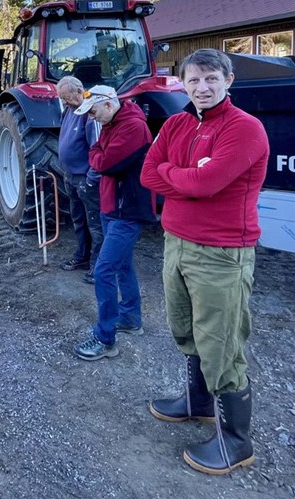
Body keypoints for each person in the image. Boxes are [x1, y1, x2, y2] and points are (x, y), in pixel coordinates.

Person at [140, 49, 269, 475]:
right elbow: (147, 173)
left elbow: (207, 183)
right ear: (182, 84)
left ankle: (237, 442)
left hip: (220, 252)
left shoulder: (245, 129)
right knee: (186, 328)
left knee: (222, 344)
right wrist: (187, 178)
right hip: (176, 242)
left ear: (229, 80)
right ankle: (198, 404)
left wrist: (177, 176)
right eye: (193, 81)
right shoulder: (176, 122)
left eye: (211, 78)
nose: (202, 88)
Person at [71, 86, 155, 361]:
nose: (92, 118)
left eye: (93, 112)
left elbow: (103, 161)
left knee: (104, 270)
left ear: (107, 104)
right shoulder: (113, 122)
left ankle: (105, 338)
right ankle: (130, 317)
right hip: (112, 207)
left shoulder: (132, 128)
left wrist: (98, 158)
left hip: (126, 211)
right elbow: (96, 151)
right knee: (121, 266)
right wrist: (98, 156)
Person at [56, 76, 103, 283]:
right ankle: (82, 256)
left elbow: (98, 149)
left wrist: (92, 178)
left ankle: (98, 265)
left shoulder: (89, 114)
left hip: (85, 178)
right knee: (78, 219)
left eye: (67, 98)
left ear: (79, 91)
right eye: (62, 99)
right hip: (70, 176)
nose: (64, 102)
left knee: (94, 222)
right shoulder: (69, 110)